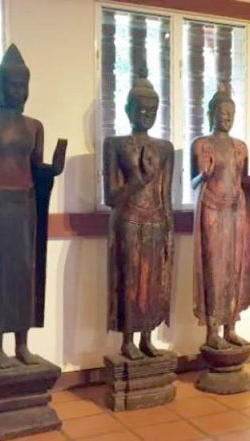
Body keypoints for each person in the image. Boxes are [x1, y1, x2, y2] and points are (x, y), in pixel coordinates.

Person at [0, 44, 66, 369]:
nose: (19, 92)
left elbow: (36, 168)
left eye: (24, 86)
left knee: (24, 273)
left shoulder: (34, 126)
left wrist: (52, 169)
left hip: (24, 204)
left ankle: (22, 343)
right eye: (12, 85)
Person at [103, 70, 174, 360]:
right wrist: (138, 179)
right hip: (128, 221)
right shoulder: (116, 145)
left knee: (152, 282)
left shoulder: (165, 149)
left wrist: (169, 231)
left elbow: (165, 196)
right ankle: (127, 340)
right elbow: (110, 197)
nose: (146, 115)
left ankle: (147, 338)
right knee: (130, 281)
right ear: (127, 110)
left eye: (152, 110)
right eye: (141, 109)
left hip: (156, 221)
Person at [191, 85, 250, 349]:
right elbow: (193, 183)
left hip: (236, 212)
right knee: (214, 269)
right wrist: (204, 175)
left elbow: (242, 183)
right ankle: (212, 331)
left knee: (234, 269)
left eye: (231, 113)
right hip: (212, 210)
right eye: (222, 112)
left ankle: (230, 328)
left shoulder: (240, 147)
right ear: (211, 114)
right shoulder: (202, 145)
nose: (227, 117)